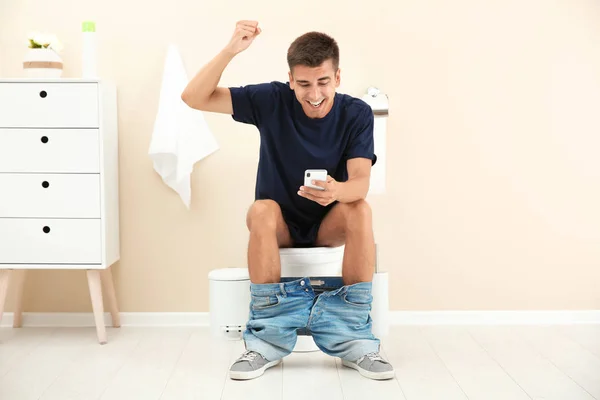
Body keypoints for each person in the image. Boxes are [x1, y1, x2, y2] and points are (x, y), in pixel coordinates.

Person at [182, 20, 394, 381]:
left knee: (360, 209)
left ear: (337, 78)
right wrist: (231, 49)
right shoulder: (272, 100)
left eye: (323, 82)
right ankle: (265, 341)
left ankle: (355, 337)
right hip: (278, 226)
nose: (314, 94)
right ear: (290, 80)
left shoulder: (355, 113)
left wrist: (335, 192)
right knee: (260, 210)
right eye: (304, 84)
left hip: (328, 225)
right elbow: (194, 97)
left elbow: (359, 183)